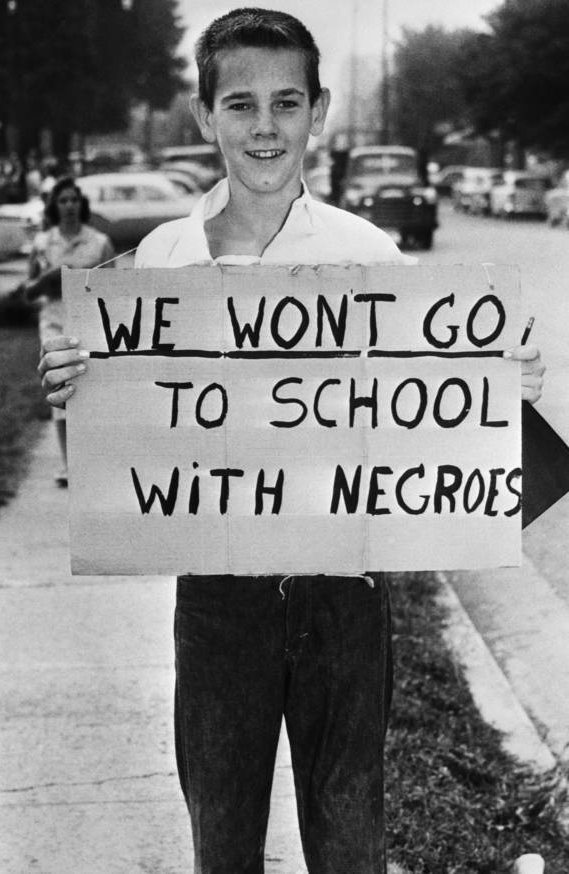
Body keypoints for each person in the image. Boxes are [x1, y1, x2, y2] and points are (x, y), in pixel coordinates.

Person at [37, 9, 545, 872]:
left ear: (319, 111)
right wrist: (74, 386)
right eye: (240, 104)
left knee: (349, 837)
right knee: (222, 833)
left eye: (286, 102)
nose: (264, 126)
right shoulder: (162, 260)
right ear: (205, 116)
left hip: (344, 591)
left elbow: (430, 406)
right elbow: (125, 430)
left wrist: (502, 386)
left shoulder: (367, 252)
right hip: (218, 599)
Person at [26, 176, 114, 486]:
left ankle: (94, 458)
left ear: (81, 204)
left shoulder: (99, 242)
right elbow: (29, 290)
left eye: (74, 200)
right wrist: (45, 280)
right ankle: (67, 464)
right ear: (54, 206)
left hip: (89, 320)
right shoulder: (43, 243)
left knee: (90, 389)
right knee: (63, 388)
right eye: (62, 201)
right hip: (54, 320)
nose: (69, 206)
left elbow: (115, 289)